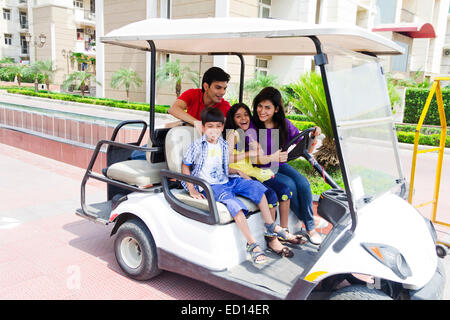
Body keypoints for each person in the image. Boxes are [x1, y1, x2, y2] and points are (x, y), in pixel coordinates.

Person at [181, 107, 294, 265]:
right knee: (235, 205)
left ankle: (270, 226)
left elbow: (224, 167)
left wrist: (239, 173)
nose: (214, 131)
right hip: (212, 186)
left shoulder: (223, 144)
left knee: (256, 187)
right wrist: (192, 188)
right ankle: (252, 244)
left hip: (227, 179)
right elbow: (185, 166)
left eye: (218, 126)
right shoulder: (197, 146)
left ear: (223, 126)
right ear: (203, 127)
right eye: (210, 127)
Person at [224, 103, 305, 245]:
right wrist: (251, 152)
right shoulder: (233, 134)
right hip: (242, 176)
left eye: (246, 115)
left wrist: (260, 150)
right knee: (272, 195)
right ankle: (271, 238)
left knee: (285, 191)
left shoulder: (246, 134)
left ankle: (283, 231)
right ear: (233, 119)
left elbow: (257, 158)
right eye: (238, 116)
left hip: (255, 171)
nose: (243, 118)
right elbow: (227, 158)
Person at [251, 86, 324, 245]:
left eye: (267, 108)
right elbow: (253, 159)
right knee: (289, 184)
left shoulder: (283, 123)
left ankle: (310, 227)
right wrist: (273, 157)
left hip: (278, 165)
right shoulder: (254, 126)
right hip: (261, 168)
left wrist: (313, 136)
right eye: (260, 106)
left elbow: (304, 145)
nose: (262, 111)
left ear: (276, 109)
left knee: (303, 182)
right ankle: (307, 224)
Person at [166, 66, 232, 128]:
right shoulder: (193, 94)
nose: (223, 92)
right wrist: (197, 124)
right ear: (206, 86)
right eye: (218, 88)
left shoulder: (225, 107)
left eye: (224, 88)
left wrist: (187, 123)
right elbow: (173, 109)